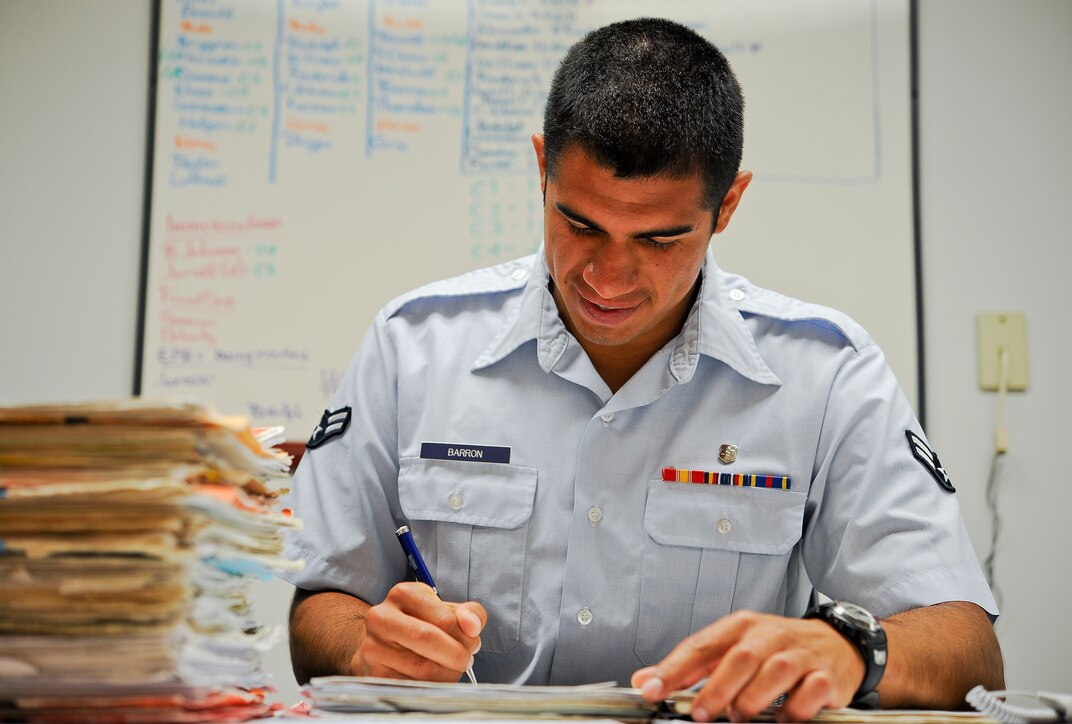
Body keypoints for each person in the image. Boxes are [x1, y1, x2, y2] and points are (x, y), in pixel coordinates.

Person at [282, 17, 1003, 722]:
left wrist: (851, 649)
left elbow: (968, 651)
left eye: (661, 238)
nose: (610, 277)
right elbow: (321, 606)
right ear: (542, 169)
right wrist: (363, 646)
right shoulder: (414, 348)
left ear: (729, 205)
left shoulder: (824, 373)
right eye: (580, 224)